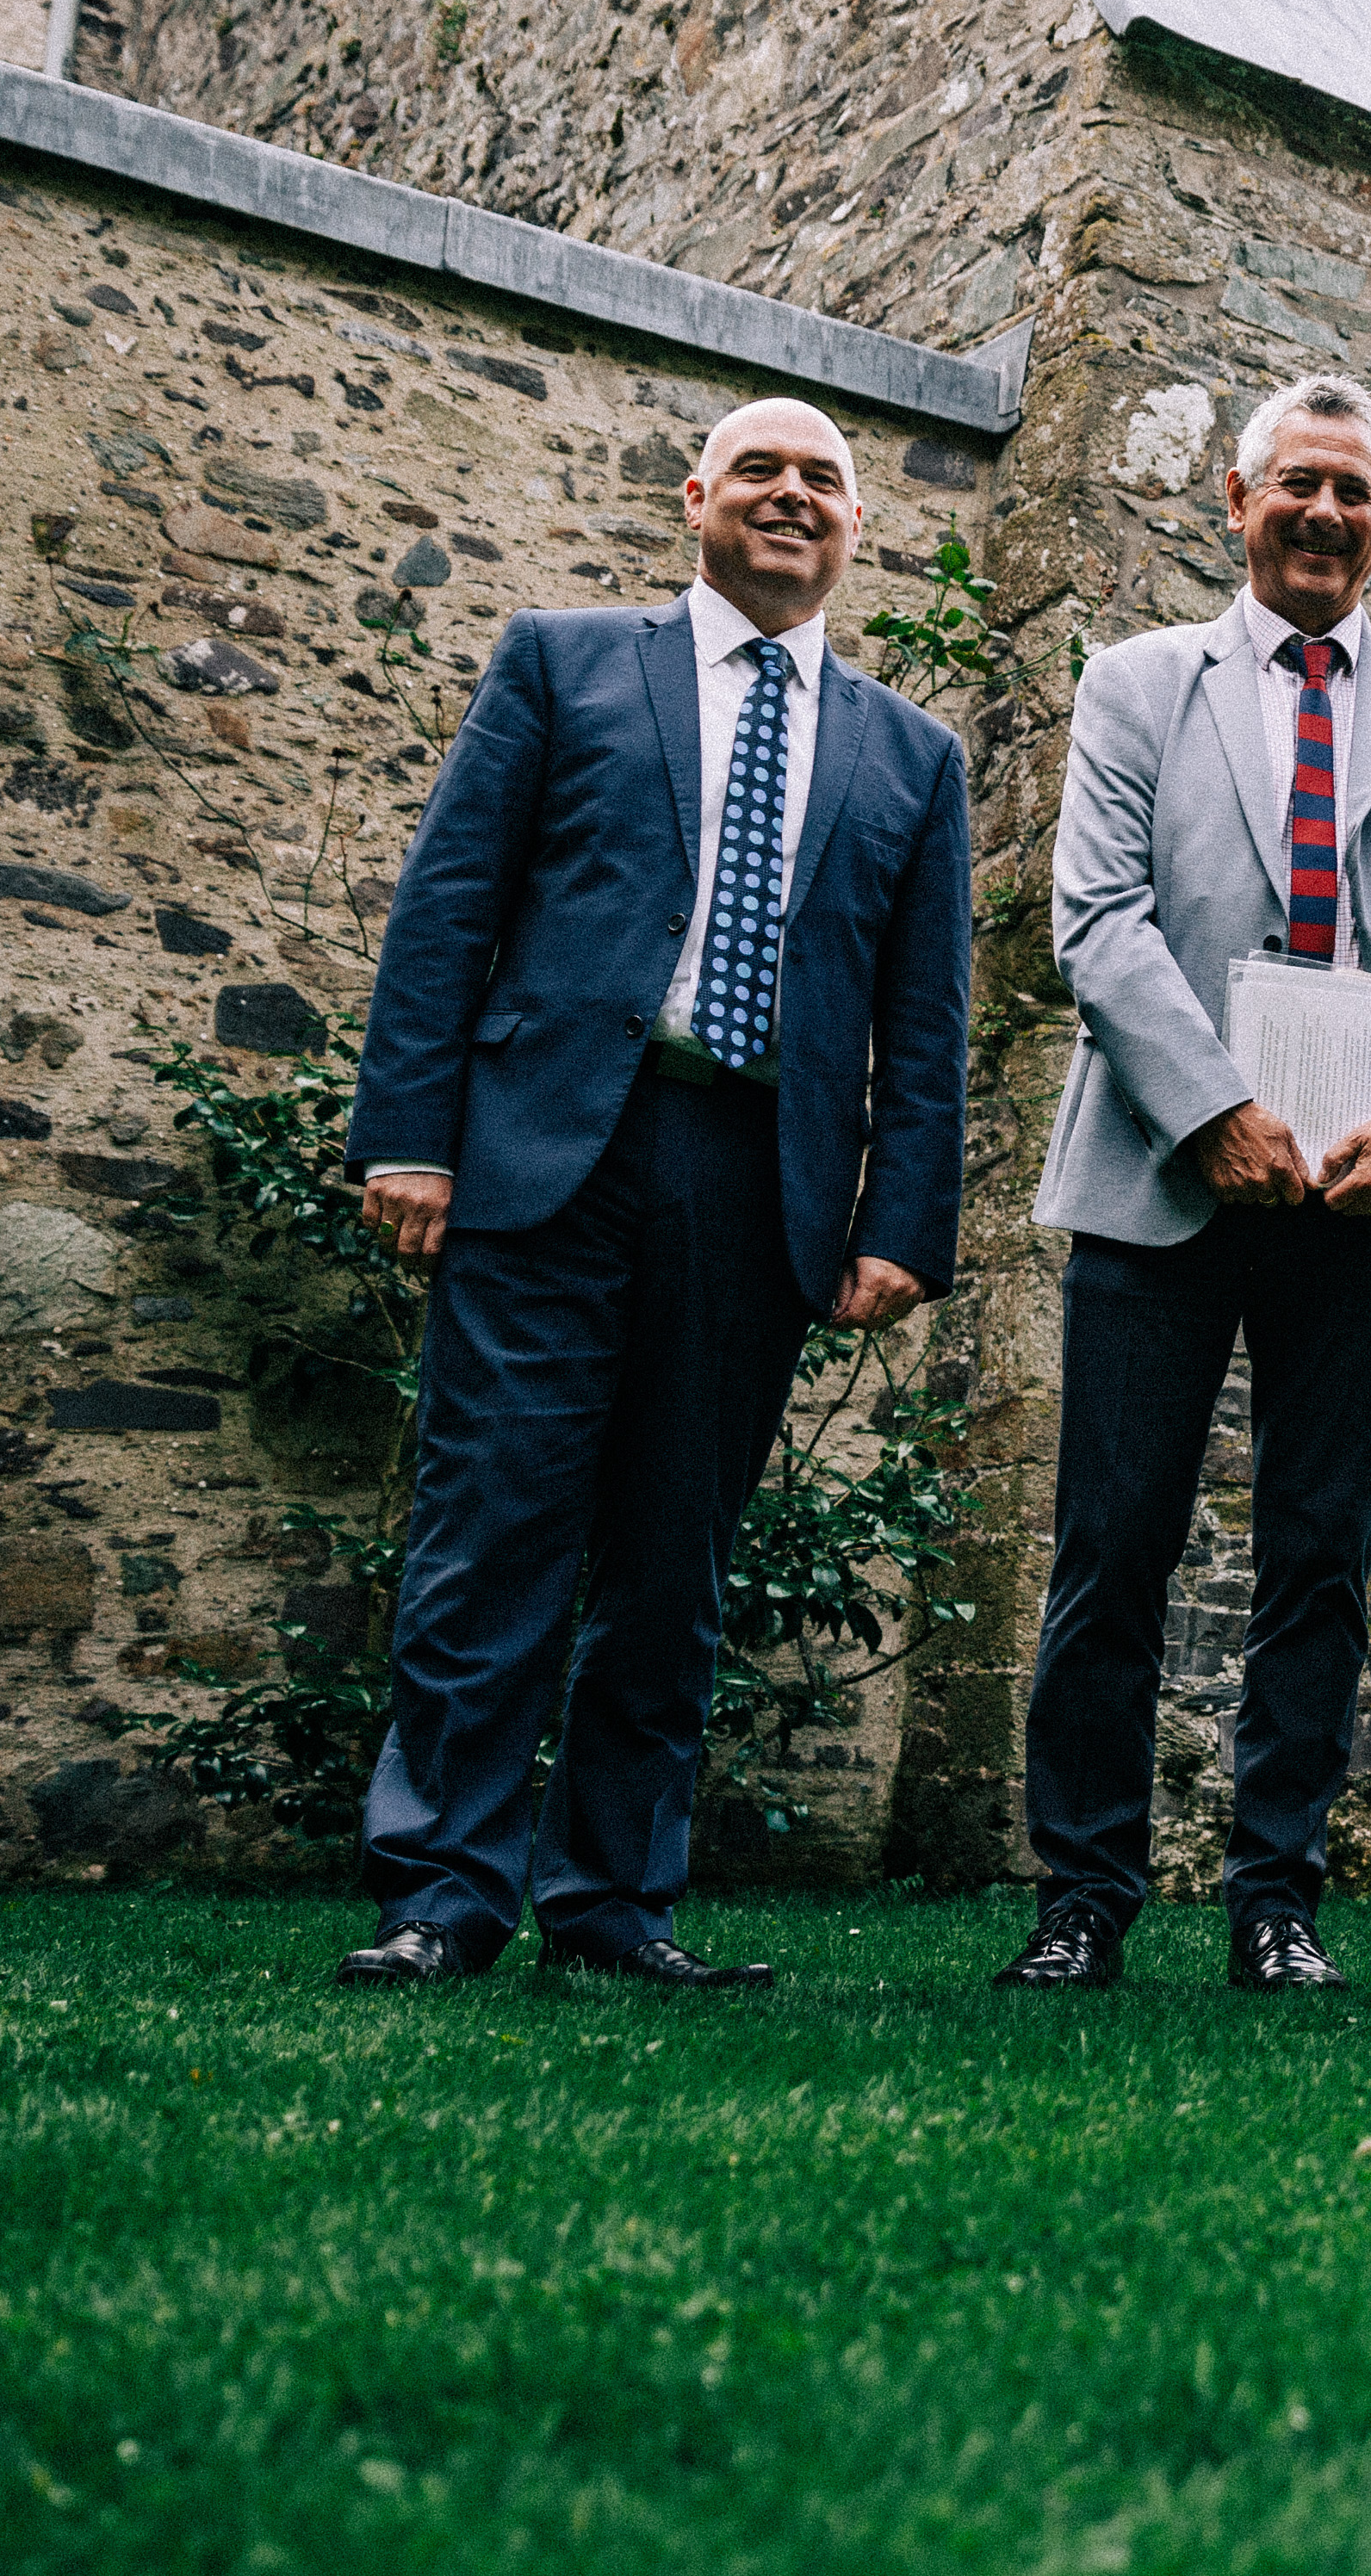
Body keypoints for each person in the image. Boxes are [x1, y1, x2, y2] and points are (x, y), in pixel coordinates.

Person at [333, 397, 972, 1991]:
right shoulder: (565, 663)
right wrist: (410, 1137)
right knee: (494, 1532)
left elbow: (928, 1018)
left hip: (755, 1184)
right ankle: (446, 1897)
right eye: (759, 469)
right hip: (550, 1158)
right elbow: (448, 908)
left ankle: (616, 1909)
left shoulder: (913, 755)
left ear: (851, 529)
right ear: (695, 498)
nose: (791, 496)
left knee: (674, 1562)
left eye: (823, 480)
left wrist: (901, 1222)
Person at [996, 375, 1371, 1996]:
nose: (1323, 514)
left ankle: (1276, 1902)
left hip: (1367, 1187)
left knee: (1320, 1551)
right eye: (1295, 485)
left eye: (1354, 494)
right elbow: (1095, 914)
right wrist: (1211, 1106)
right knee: (1115, 1541)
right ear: (1236, 506)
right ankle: (1081, 1894)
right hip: (1168, 1175)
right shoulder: (1137, 684)